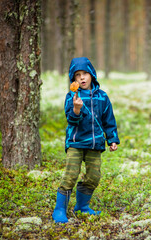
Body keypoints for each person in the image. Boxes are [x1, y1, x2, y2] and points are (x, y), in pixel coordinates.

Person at [52, 57, 120, 223]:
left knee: (94, 176)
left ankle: (82, 206)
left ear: (92, 75)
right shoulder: (71, 96)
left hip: (95, 143)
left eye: (85, 74)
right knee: (70, 175)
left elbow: (108, 120)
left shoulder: (102, 97)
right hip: (76, 142)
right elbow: (71, 120)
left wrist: (112, 139)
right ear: (73, 79)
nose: (82, 78)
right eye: (77, 75)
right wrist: (76, 109)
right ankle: (60, 209)